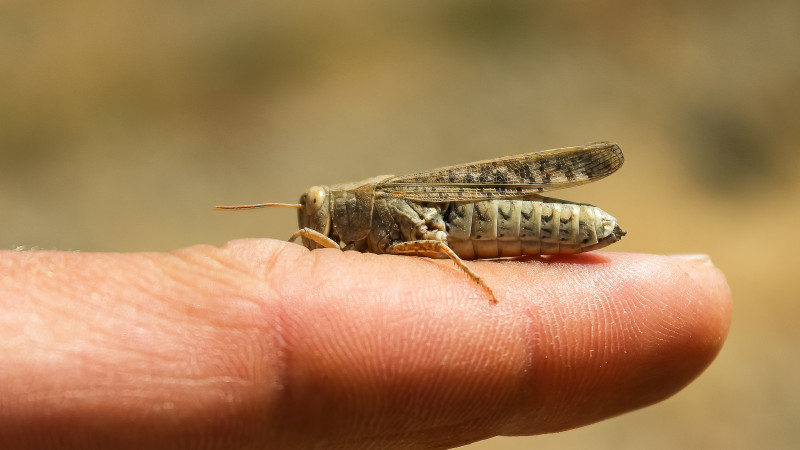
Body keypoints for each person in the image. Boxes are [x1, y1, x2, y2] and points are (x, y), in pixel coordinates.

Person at [0, 239, 731, 449]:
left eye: (319, 214)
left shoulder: (381, 209)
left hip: (492, 219)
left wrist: (473, 280)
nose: (310, 226)